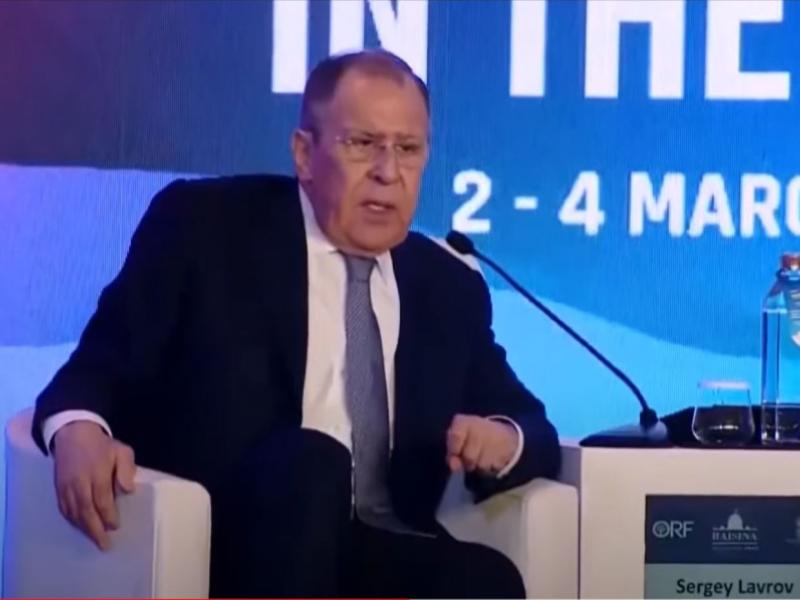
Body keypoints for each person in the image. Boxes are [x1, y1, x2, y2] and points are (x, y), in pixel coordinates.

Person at [32, 49, 560, 598]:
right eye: (363, 144)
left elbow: (532, 425)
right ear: (305, 154)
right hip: (232, 541)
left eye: (408, 149)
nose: (388, 172)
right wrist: (79, 430)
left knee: (489, 581)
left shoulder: (447, 284)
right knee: (314, 462)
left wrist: (505, 440)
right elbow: (99, 367)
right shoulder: (206, 229)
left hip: (380, 541)